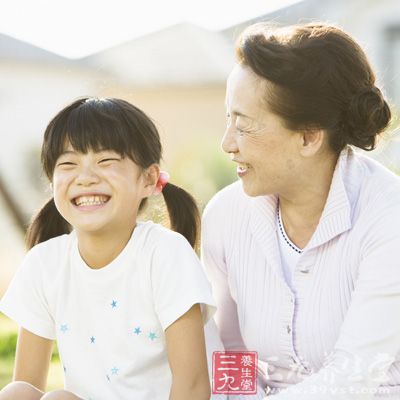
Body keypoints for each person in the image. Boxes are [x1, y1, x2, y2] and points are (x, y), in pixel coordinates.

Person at [201, 22, 400, 399]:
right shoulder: (226, 215)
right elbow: (231, 349)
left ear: (309, 137)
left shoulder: (390, 218)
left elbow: (354, 375)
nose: (227, 143)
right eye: (228, 119)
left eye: (243, 126)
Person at [0, 97, 216, 400]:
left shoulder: (164, 253)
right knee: (17, 393)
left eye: (106, 161)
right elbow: (28, 385)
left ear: (149, 179)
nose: (85, 177)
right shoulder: (44, 263)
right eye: (68, 164)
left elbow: (193, 387)